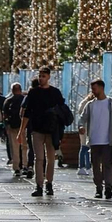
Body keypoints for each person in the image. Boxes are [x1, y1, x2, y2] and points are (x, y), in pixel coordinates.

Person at [79, 80, 112, 200]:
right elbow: (82, 118)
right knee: (96, 166)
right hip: (94, 141)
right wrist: (81, 126)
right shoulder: (90, 105)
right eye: (92, 89)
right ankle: (99, 188)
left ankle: (108, 188)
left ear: (101, 88)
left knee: (107, 165)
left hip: (107, 141)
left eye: (95, 88)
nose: (93, 91)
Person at [26, 68, 66, 197]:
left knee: (50, 158)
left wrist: (60, 132)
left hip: (51, 130)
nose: (41, 78)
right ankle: (39, 185)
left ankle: (49, 183)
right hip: (37, 129)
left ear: (48, 77)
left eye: (43, 76)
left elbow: (61, 111)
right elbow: (27, 112)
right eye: (40, 76)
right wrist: (21, 130)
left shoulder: (55, 93)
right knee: (39, 158)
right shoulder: (33, 92)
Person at [3, 82, 29, 177]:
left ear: (12, 90)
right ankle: (25, 165)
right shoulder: (24, 99)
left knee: (14, 147)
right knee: (25, 147)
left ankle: (16, 167)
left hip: (12, 127)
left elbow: (5, 115)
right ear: (21, 90)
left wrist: (6, 127)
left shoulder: (8, 101)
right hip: (24, 126)